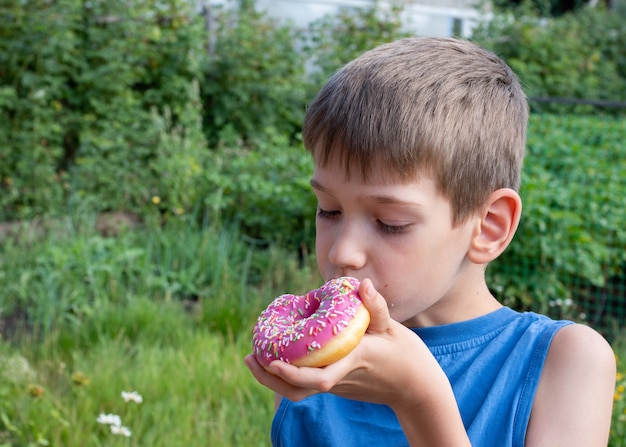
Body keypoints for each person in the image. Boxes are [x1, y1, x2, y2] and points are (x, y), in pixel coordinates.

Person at [244, 37, 616, 446]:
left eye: (391, 222)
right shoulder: (317, 362)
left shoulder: (565, 364)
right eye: (328, 210)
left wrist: (419, 400)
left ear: (488, 226)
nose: (341, 252)